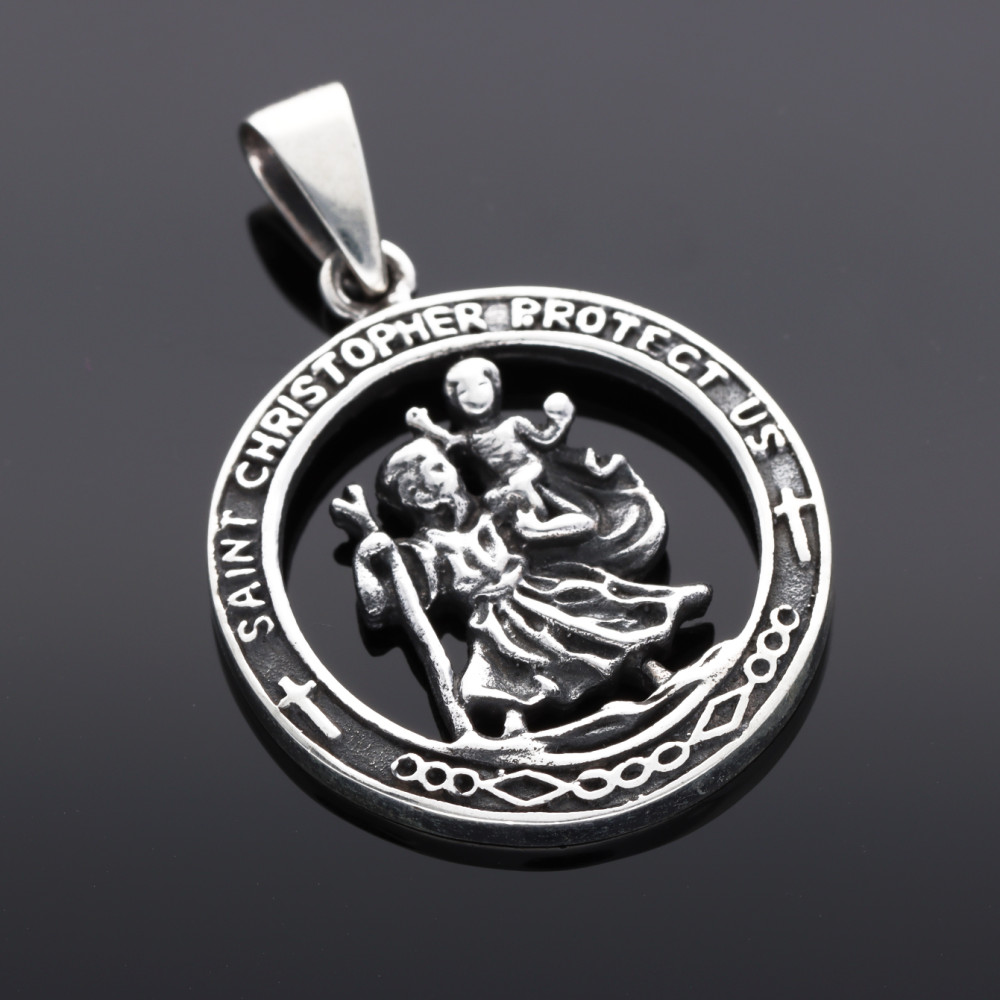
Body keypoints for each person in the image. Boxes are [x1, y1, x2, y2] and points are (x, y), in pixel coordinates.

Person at [351, 437, 711, 736]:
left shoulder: (493, 512)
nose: (454, 469)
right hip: (495, 616)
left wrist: (534, 523)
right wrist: (366, 555)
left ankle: (654, 672)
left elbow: (574, 524)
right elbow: (379, 610)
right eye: (440, 467)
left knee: (602, 622)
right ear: (419, 496)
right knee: (506, 669)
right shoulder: (425, 552)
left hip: (539, 589)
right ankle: (514, 729)